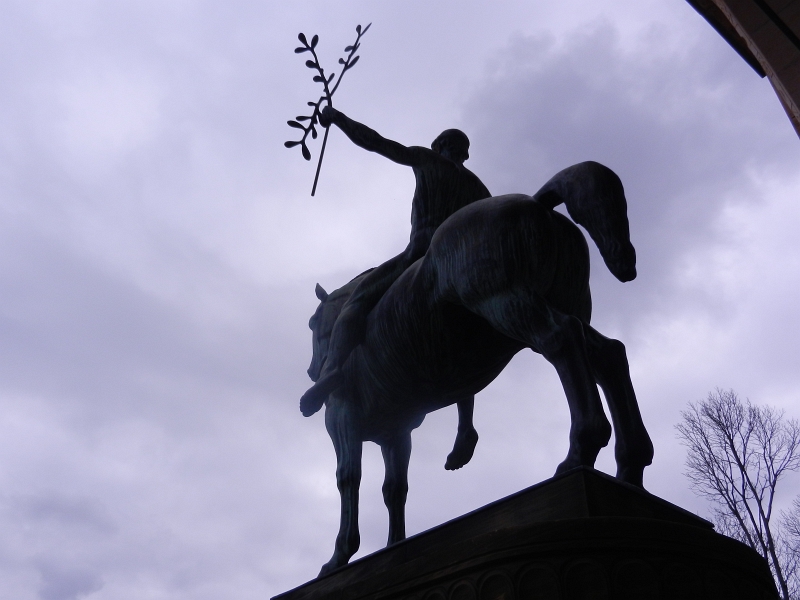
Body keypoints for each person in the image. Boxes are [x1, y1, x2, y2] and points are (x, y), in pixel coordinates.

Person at [301, 106, 490, 469]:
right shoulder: (478, 187)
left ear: (439, 148)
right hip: (461, 261)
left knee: (355, 302)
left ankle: (331, 373)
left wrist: (338, 119)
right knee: (469, 335)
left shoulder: (427, 161)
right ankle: (465, 426)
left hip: (419, 253)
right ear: (464, 153)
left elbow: (375, 142)